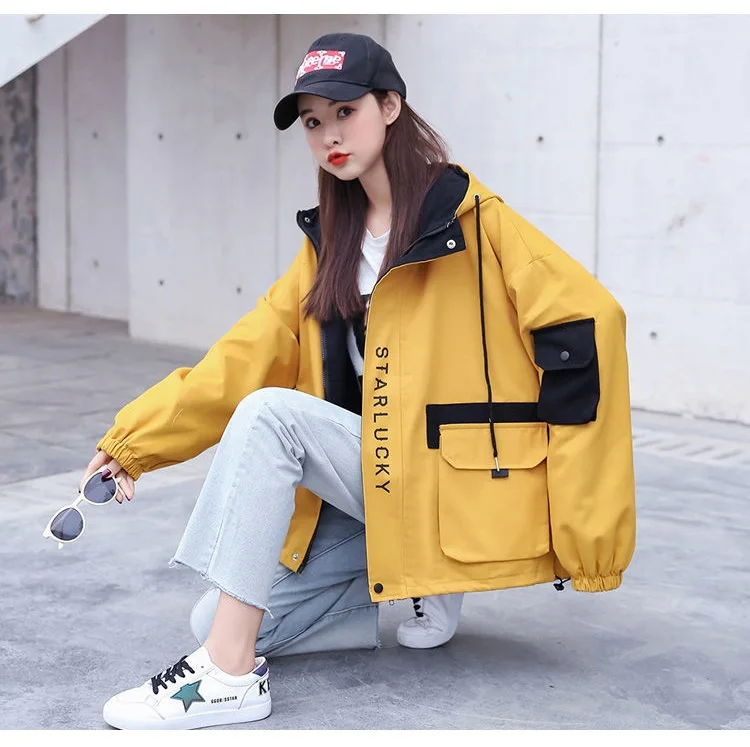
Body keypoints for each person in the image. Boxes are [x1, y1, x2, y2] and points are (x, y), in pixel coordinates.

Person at [82, 32, 635, 730]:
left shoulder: (471, 221)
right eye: (314, 122)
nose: (330, 136)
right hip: (378, 478)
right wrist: (135, 443)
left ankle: (228, 678)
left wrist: (582, 522)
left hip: (456, 477)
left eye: (345, 112)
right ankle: (413, 577)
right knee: (216, 615)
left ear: (390, 106)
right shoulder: (331, 243)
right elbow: (245, 354)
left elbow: (588, 326)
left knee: (271, 419)